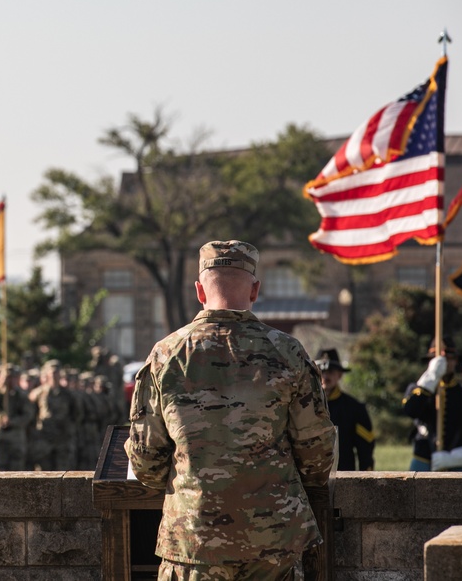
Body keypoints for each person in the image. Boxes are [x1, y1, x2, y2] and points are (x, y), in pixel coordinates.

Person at [125, 240, 336, 580]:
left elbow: (146, 462)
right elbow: (317, 454)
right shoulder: (288, 353)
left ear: (199, 290)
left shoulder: (166, 355)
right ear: (255, 290)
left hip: (193, 540)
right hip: (273, 542)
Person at [403, 337, 462, 471]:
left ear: (456, 361)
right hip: (424, 460)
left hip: (456, 463)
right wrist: (431, 378)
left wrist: (455, 458)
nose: (445, 362)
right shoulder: (418, 388)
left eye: (449, 358)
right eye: (438, 359)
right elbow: (410, 410)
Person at [316, 349, 374, 471]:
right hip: (309, 478)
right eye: (322, 371)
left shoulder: (354, 408)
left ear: (340, 375)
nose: (326, 376)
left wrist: (366, 480)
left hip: (343, 475)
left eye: (330, 371)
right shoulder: (303, 406)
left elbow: (365, 450)